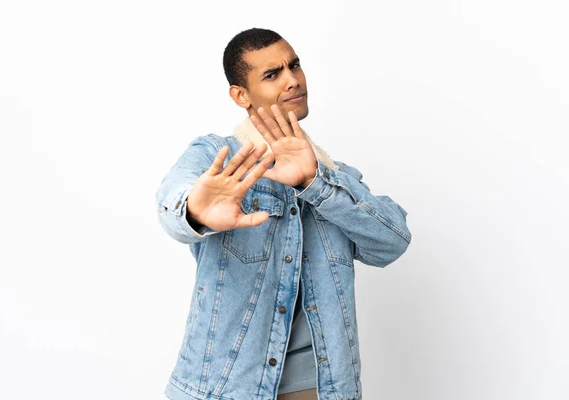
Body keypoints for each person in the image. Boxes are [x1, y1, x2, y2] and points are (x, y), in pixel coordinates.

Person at [155, 28, 412, 400]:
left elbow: (392, 243)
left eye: (295, 66)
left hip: (320, 388)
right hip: (226, 387)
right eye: (272, 74)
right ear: (240, 95)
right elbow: (171, 205)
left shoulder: (334, 176)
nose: (292, 80)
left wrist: (315, 182)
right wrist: (196, 210)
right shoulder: (218, 156)